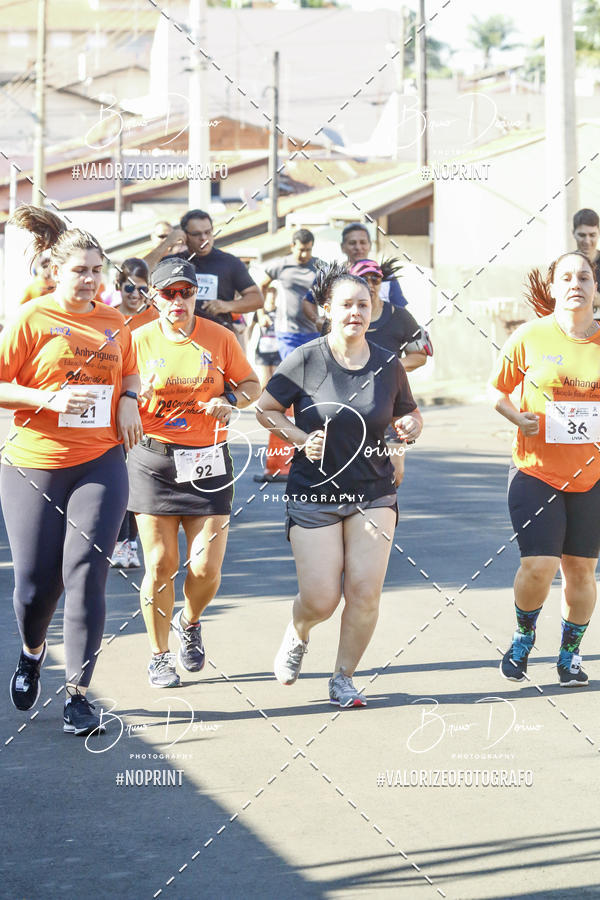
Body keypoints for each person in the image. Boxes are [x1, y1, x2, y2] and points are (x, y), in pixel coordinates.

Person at [0, 205, 142, 736]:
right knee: (36, 588)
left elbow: (131, 370)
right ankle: (33, 652)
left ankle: (78, 696)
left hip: (100, 460)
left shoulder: (113, 321)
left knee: (86, 574)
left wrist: (128, 398)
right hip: (34, 463)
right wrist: (47, 398)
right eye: (80, 270)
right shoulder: (31, 318)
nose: (90, 280)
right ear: (56, 270)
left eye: (97, 270)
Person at [256, 262, 422, 707]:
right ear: (327, 309)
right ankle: (300, 630)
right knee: (321, 599)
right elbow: (265, 409)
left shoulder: (388, 363)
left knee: (365, 592)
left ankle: (343, 677)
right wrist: (298, 437)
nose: (356, 312)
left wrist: (410, 426)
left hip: (373, 491)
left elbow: (408, 413)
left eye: (363, 304)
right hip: (315, 493)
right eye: (346, 304)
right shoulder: (306, 358)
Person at [127, 257, 261, 688]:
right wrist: (133, 396)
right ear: (154, 297)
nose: (178, 301)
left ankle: (190, 620)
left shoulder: (219, 337)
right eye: (168, 293)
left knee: (204, 568)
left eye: (186, 292)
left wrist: (231, 401)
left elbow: (251, 385)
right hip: (153, 459)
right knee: (160, 563)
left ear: (195, 294)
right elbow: (115, 395)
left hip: (208, 458)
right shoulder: (136, 340)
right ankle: (159, 655)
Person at [491, 250, 600, 688]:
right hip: (535, 472)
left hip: (591, 476)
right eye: (567, 277)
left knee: (581, 570)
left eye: (585, 277)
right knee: (539, 564)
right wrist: (517, 418)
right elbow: (497, 391)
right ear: (553, 288)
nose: (576, 284)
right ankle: (523, 636)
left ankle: (569, 655)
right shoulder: (529, 336)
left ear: (596, 288)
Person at [349, 257, 432, 486]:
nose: (370, 284)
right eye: (363, 279)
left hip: (391, 405)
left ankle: (383, 505)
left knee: (394, 473)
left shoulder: (399, 316)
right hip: (350, 403)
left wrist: (389, 366)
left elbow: (420, 355)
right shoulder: (343, 318)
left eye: (375, 279)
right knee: (353, 470)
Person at [110, 257, 158, 569]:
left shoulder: (157, 318)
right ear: (118, 287)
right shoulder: (108, 318)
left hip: (149, 411)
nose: (135, 294)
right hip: (115, 408)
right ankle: (119, 542)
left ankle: (131, 543)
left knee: (139, 481)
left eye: (142, 289)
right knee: (119, 478)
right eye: (129, 288)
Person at [149, 209, 264, 331]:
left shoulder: (229, 262)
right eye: (196, 234)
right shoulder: (173, 262)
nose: (203, 238)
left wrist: (227, 306)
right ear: (185, 235)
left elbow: (257, 298)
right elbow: (141, 272)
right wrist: (167, 243)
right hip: (178, 334)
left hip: (217, 334)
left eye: (208, 232)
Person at [260, 228, 321, 359]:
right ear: (292, 246)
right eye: (301, 250)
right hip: (287, 332)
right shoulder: (281, 265)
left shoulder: (320, 266)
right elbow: (262, 286)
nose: (304, 254)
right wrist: (261, 314)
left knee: (313, 370)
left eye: (308, 250)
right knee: (293, 369)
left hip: (313, 331)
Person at [340, 223, 407, 308]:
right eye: (352, 243)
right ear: (342, 247)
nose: (358, 247)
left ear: (370, 245)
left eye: (363, 242)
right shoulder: (336, 277)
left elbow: (399, 310)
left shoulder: (386, 276)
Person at [572, 208, 600, 315]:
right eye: (582, 235)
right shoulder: (563, 265)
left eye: (592, 235)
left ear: (599, 233)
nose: (587, 241)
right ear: (573, 233)